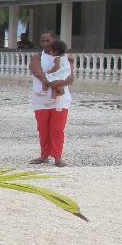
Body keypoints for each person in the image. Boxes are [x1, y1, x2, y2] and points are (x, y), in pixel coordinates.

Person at [29, 32, 73, 167]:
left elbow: (70, 78)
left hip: (60, 100)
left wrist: (52, 82)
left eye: (47, 41)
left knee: (57, 129)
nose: (44, 44)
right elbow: (37, 73)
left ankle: (57, 157)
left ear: (54, 41)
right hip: (40, 99)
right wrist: (52, 82)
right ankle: (44, 155)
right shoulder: (37, 57)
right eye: (42, 41)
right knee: (42, 129)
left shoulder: (65, 57)